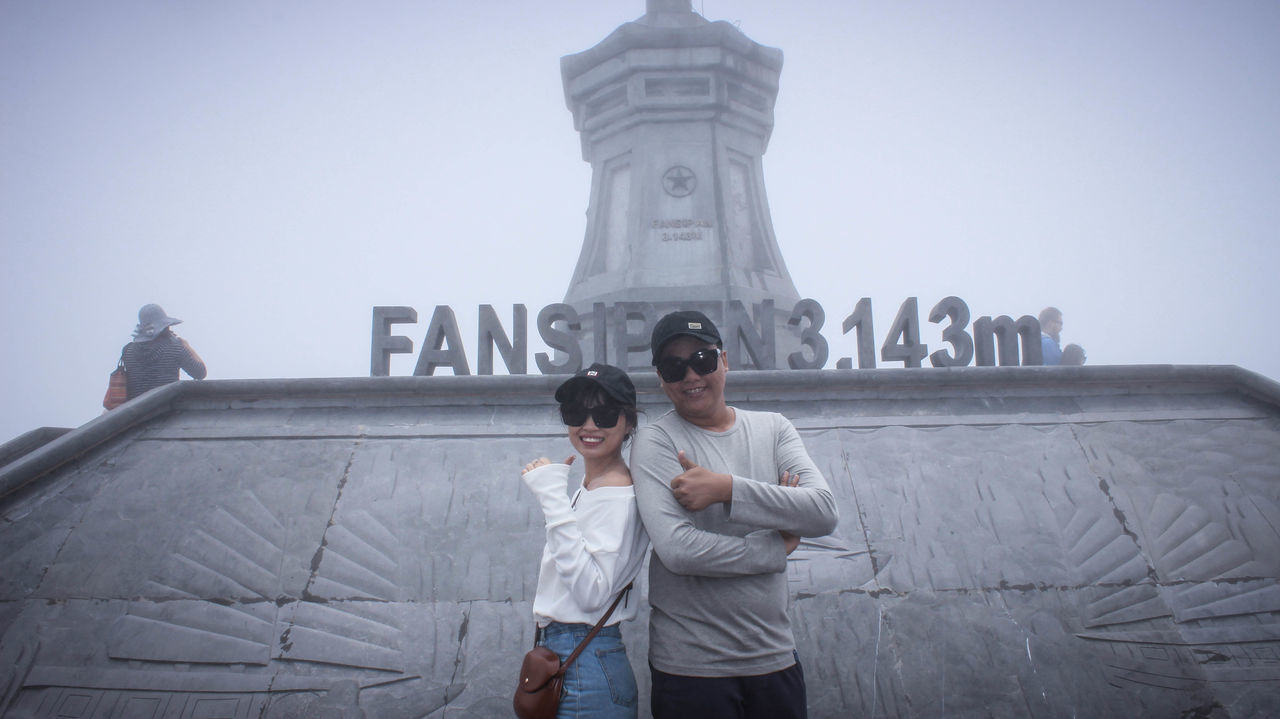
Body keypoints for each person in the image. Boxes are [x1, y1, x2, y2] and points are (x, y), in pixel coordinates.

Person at [629, 310, 839, 719]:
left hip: (775, 656)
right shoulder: (656, 442)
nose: (691, 376)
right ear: (661, 378)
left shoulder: (774, 428)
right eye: (674, 367)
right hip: (691, 669)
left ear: (724, 360)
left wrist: (727, 489)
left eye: (703, 360)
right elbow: (679, 550)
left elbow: (822, 511)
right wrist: (774, 546)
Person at [521, 363, 650, 718]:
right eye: (577, 412)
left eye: (606, 414)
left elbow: (591, 593)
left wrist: (552, 498)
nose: (589, 425)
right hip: (575, 657)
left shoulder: (616, 493)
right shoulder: (595, 486)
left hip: (584, 663)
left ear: (629, 423)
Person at [120, 304, 207, 400]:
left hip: (135, 412)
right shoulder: (174, 348)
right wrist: (187, 346)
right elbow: (200, 373)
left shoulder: (128, 351)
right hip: (167, 409)